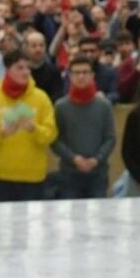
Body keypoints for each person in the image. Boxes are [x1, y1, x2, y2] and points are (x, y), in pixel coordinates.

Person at [0, 49, 58, 202]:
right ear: (7, 70)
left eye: (28, 68)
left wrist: (34, 129)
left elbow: (51, 135)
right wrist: (1, 132)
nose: (25, 72)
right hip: (0, 175)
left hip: (33, 176)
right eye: (20, 68)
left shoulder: (41, 98)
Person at [51, 57, 116, 199]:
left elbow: (110, 138)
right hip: (69, 174)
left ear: (92, 75)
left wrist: (97, 159)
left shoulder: (104, 105)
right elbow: (55, 140)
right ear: (70, 76)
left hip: (98, 174)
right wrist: (74, 158)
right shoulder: (61, 106)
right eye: (77, 72)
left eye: (85, 72)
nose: (81, 76)